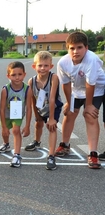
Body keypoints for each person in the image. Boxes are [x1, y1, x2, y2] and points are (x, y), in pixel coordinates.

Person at [56, 31, 105, 169]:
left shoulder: (92, 59)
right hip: (77, 89)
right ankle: (64, 145)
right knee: (70, 113)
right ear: (67, 48)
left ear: (86, 48)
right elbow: (65, 83)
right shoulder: (63, 62)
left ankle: (93, 153)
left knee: (90, 116)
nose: (75, 51)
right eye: (72, 48)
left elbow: (91, 84)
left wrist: (88, 105)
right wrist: (68, 102)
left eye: (79, 47)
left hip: (96, 88)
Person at [23, 51, 63, 170]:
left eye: (46, 65)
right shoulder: (32, 81)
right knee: (38, 123)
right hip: (40, 105)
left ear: (51, 66)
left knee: (52, 127)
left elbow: (51, 98)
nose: (43, 68)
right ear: (34, 66)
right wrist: (37, 115)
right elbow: (33, 101)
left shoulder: (53, 78)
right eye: (40, 65)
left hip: (53, 106)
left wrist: (51, 118)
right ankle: (37, 141)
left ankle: (51, 155)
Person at [0, 61, 32, 167]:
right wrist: (3, 127)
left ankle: (16, 155)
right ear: (8, 76)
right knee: (5, 133)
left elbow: (29, 108)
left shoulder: (27, 89)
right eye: (13, 75)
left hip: (18, 115)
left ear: (24, 74)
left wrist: (27, 125)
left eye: (20, 74)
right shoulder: (5, 90)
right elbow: (1, 109)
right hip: (6, 114)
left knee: (16, 131)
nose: (17, 77)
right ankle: (6, 144)